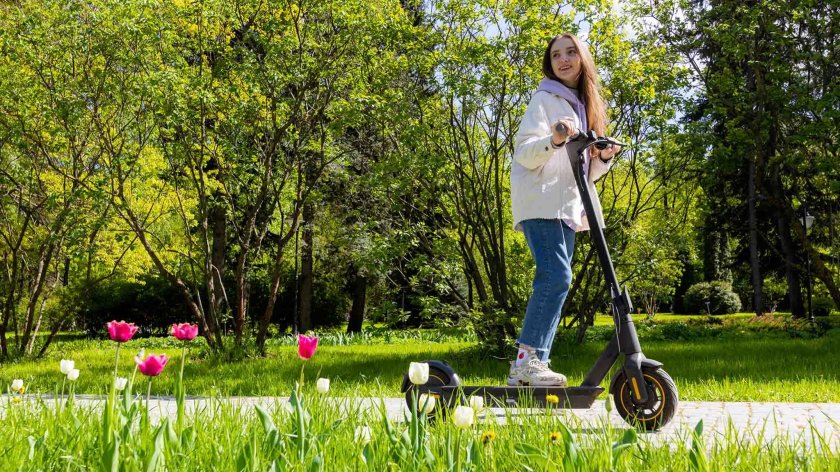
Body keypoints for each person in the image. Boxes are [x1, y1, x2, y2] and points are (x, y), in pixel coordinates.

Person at [507, 33, 621, 386]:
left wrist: (602, 158)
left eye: (571, 52)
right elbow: (524, 151)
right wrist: (554, 139)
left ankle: (535, 364)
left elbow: (585, 171)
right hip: (542, 200)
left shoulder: (582, 106)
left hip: (565, 206)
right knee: (555, 277)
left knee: (558, 281)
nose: (564, 59)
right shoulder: (544, 99)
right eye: (556, 54)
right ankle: (525, 366)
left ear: (583, 59)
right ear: (550, 63)